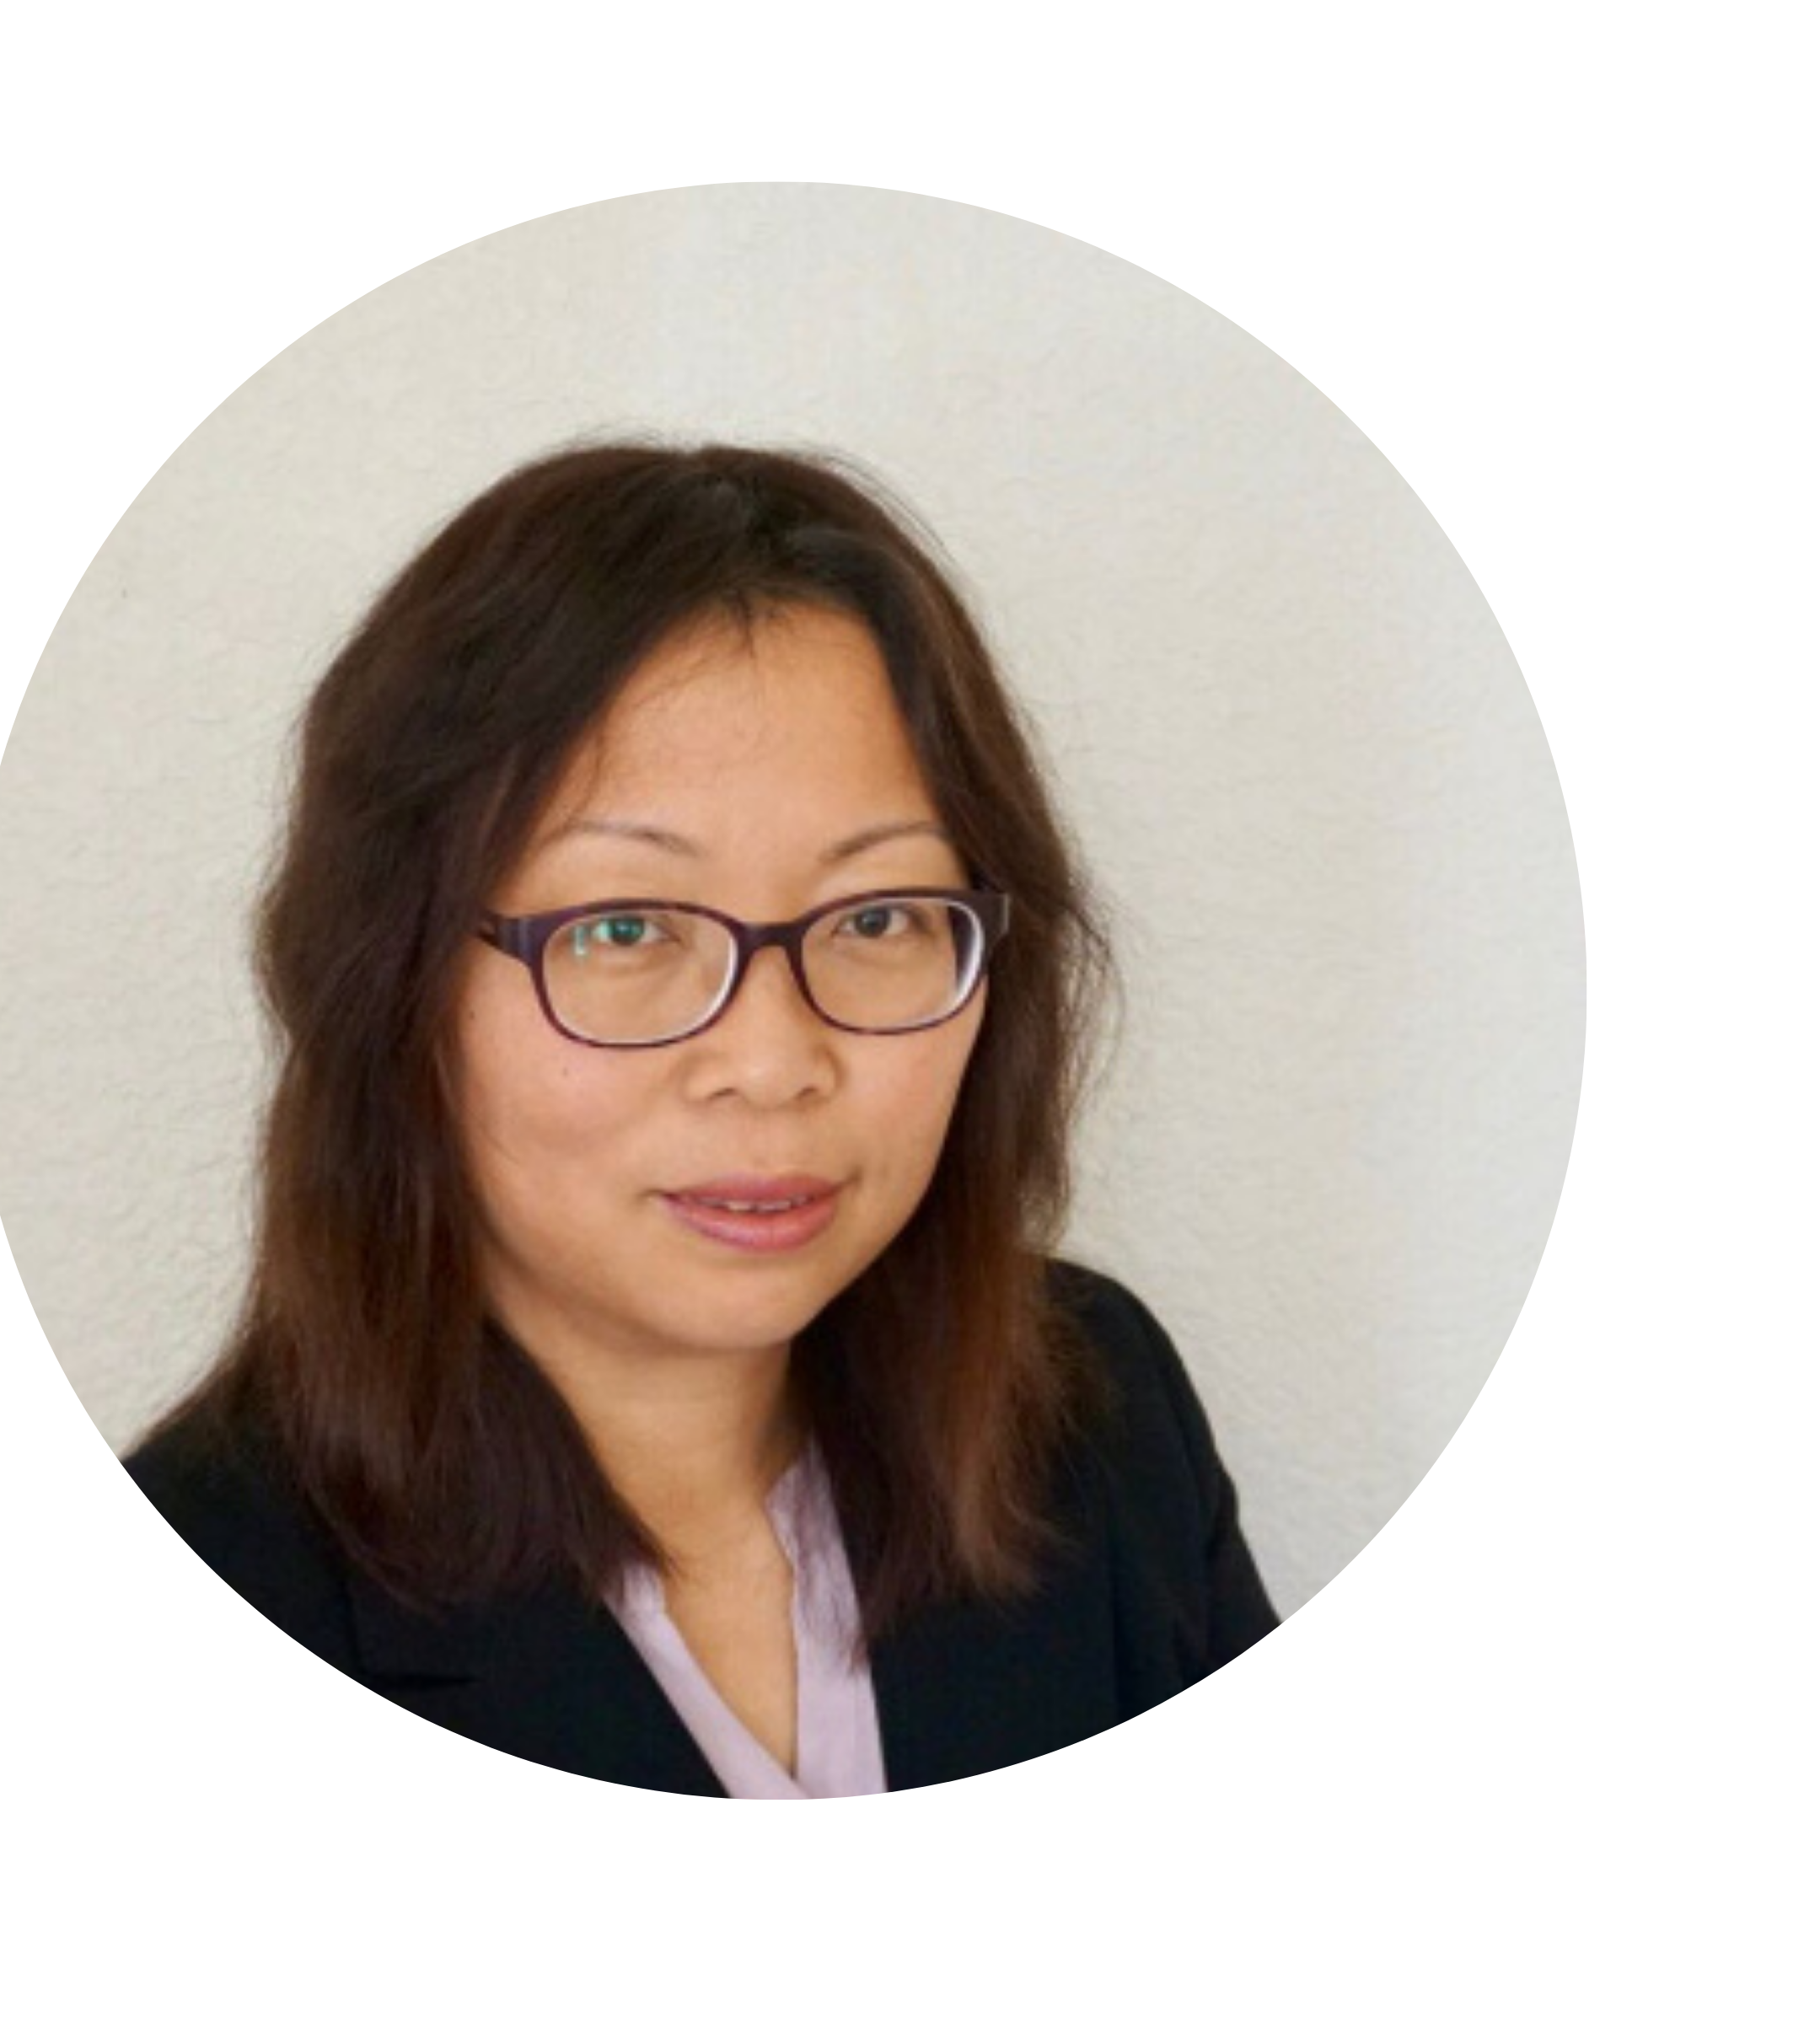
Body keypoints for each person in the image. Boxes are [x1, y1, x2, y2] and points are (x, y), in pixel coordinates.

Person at [127, 440, 1277, 1796]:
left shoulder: (1100, 1411)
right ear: (392, 983)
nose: (774, 1063)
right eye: (625, 927)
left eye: (878, 918)